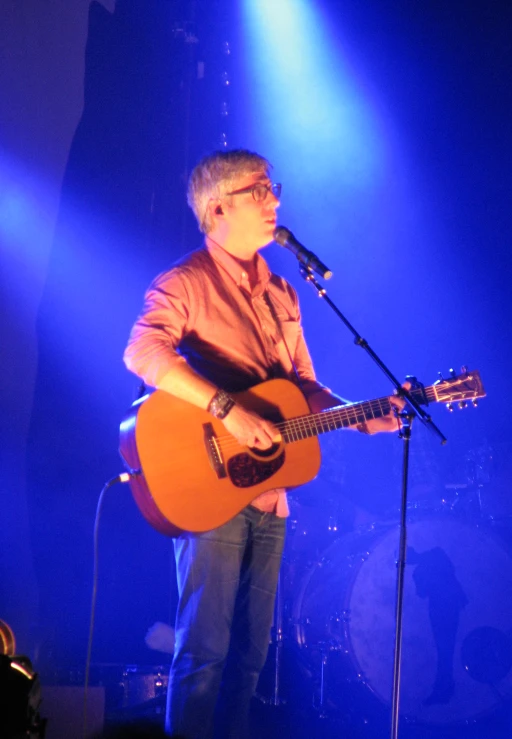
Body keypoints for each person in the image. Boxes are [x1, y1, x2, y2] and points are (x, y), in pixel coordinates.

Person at [123, 149, 402, 738]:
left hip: (271, 495)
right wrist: (225, 407)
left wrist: (363, 416)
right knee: (204, 654)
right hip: (210, 487)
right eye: (260, 190)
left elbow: (302, 389)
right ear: (218, 207)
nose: (275, 200)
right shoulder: (186, 282)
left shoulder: (282, 292)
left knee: (249, 659)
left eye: (274, 188)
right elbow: (143, 353)